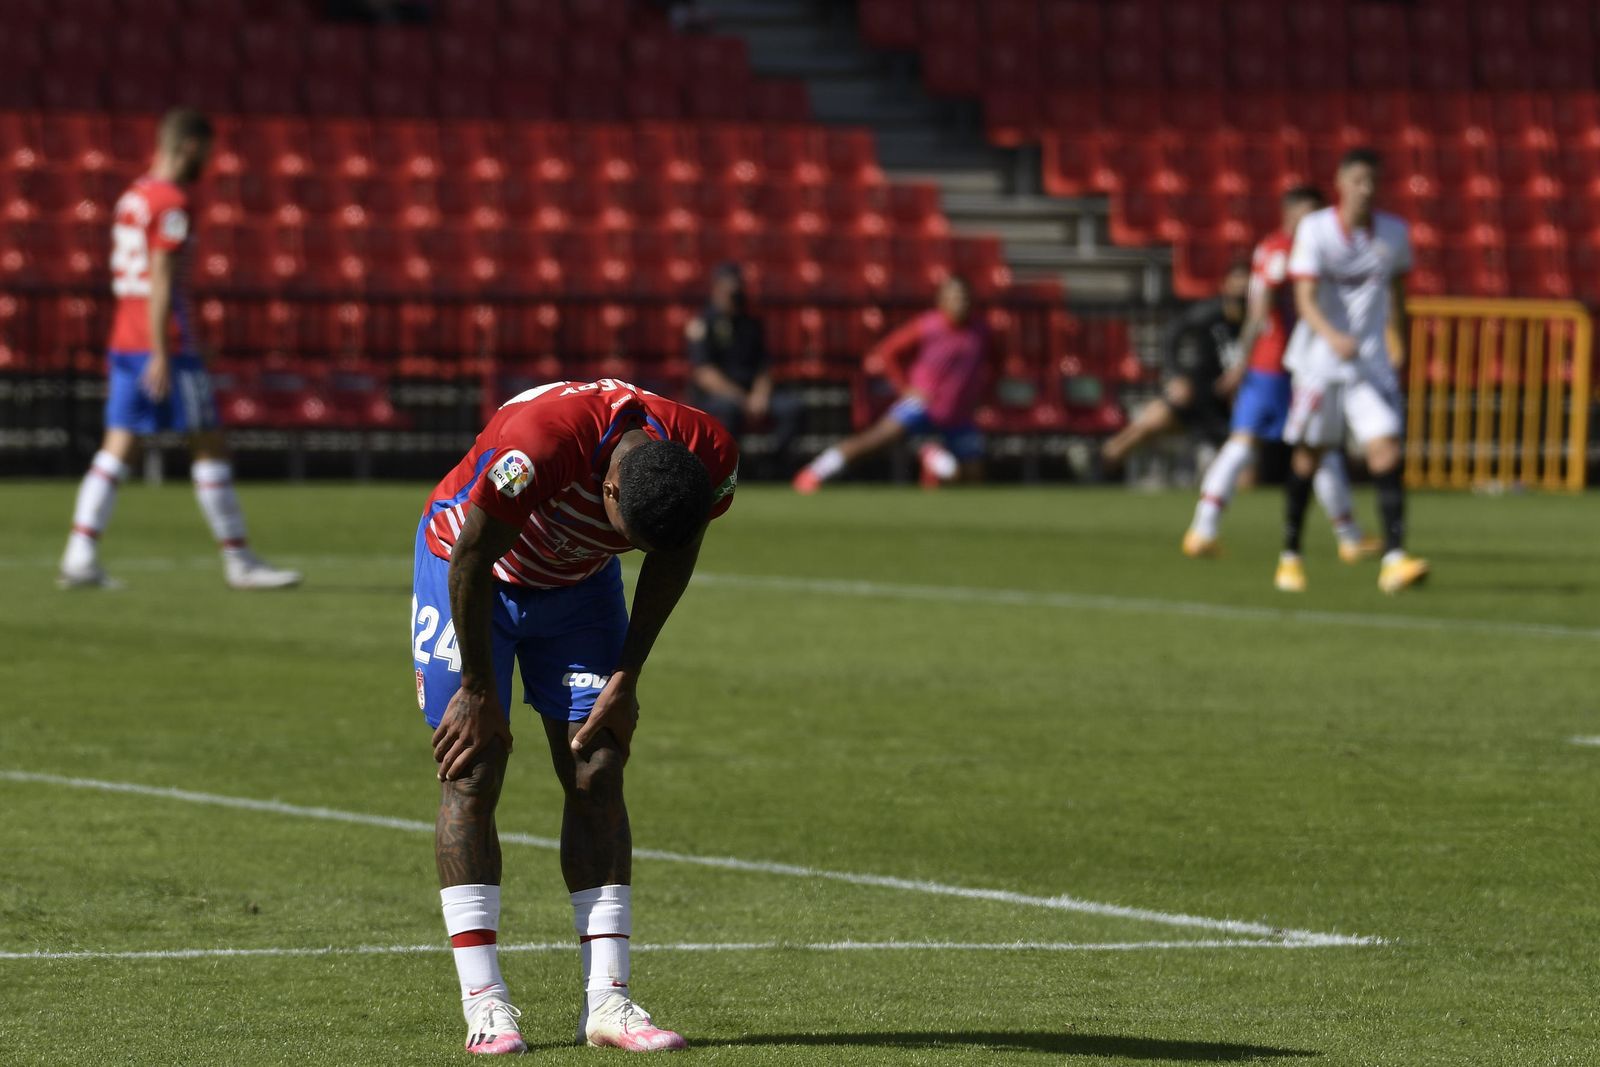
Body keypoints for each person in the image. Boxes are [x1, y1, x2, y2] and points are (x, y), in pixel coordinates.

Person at [414, 378, 738, 1055]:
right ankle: (486, 1002)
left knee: (598, 764)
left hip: (580, 585)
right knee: (472, 765)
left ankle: (608, 1001)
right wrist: (478, 684)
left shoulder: (709, 452)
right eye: (630, 535)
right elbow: (474, 555)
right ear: (610, 491)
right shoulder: (538, 444)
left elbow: (677, 551)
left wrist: (628, 673)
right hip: (472, 572)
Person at [57, 108, 300, 591]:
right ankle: (239, 561)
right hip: (161, 341)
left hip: (125, 339)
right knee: (208, 441)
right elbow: (161, 277)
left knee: (118, 446)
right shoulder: (171, 201)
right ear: (189, 145)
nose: (209, 162)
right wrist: (165, 349)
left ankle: (79, 554)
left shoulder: (135, 196)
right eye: (206, 152)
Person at [1182, 186, 1377, 561]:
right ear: (1290, 215)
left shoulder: (1276, 247)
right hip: (1284, 366)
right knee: (1311, 447)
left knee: (1256, 446)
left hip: (1277, 364)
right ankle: (1349, 535)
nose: (1318, 222)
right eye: (1309, 213)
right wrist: (1242, 362)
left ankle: (1203, 528)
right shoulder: (1286, 250)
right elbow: (1262, 310)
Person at [1276, 147, 1428, 594]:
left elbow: (1397, 294)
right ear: (1341, 183)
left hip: (1368, 365)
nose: (1366, 189)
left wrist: (1398, 339)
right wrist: (1330, 334)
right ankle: (1290, 555)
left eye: (1373, 181)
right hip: (1320, 365)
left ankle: (1395, 559)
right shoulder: (1316, 230)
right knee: (1309, 456)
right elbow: (1303, 296)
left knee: (1386, 452)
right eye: (1358, 180)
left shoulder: (1394, 234)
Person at [793, 275, 988, 492]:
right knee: (876, 439)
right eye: (954, 297)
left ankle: (933, 461)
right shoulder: (928, 325)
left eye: (964, 298)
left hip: (958, 412)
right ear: (941, 300)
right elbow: (887, 351)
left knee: (971, 475)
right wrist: (904, 387)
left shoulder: (979, 330)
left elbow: (993, 364)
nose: (960, 303)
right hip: (921, 404)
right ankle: (815, 471)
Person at [1101, 261, 1249, 470]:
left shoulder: (1259, 321)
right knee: (1149, 424)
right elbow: (1172, 334)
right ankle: (1101, 466)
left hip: (1229, 406)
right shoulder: (1209, 314)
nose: (1242, 290)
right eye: (1237, 283)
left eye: (1247, 284)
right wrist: (1176, 375)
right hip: (1197, 394)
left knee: (1245, 476)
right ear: (1225, 286)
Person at [686, 263, 802, 476]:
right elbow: (704, 373)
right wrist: (743, 399)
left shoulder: (751, 323)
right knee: (727, 411)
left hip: (752, 392)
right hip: (722, 395)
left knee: (791, 408)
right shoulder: (704, 324)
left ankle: (773, 465)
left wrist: (760, 395)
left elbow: (763, 366)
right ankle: (727, 469)